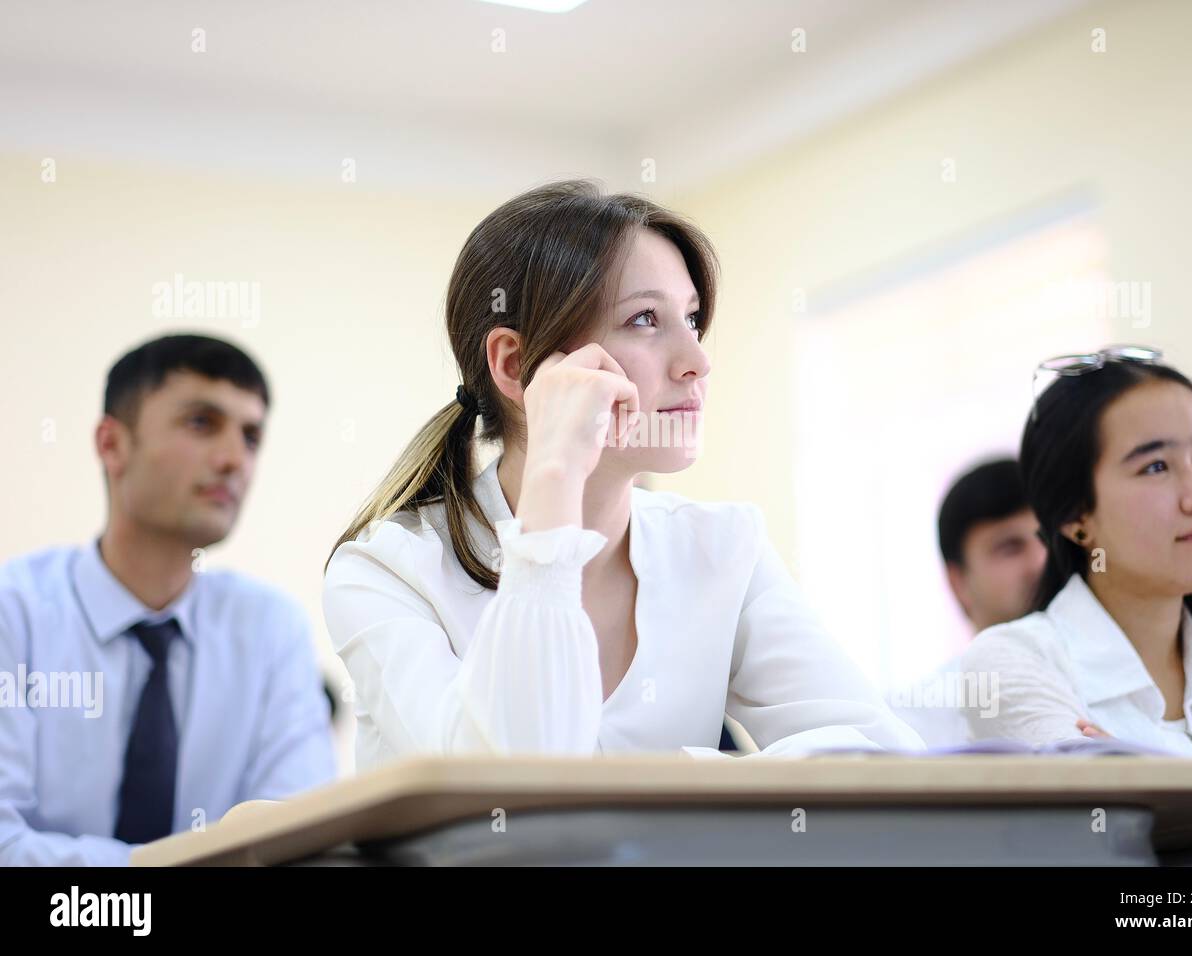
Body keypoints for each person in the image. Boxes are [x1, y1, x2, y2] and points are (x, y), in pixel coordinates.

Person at [322, 179, 923, 768]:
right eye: (643, 320)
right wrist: (554, 478)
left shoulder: (722, 547)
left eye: (691, 319)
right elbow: (513, 787)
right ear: (514, 365)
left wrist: (683, 777)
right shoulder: (386, 571)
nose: (697, 362)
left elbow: (878, 756)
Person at [0, 334, 336, 866]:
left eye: (251, 437)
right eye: (202, 423)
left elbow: (297, 841)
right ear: (112, 444)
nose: (233, 459)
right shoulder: (12, 613)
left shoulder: (271, 630)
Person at [958, 346, 1192, 755]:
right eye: (1155, 466)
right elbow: (1095, 804)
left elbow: (1143, 796)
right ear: (1075, 516)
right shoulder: (1014, 662)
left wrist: (1146, 769)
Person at [892, 458, 1045, 746]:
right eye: (1010, 548)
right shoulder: (911, 727)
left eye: (1048, 540)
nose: (1040, 563)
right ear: (958, 581)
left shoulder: (1133, 695)